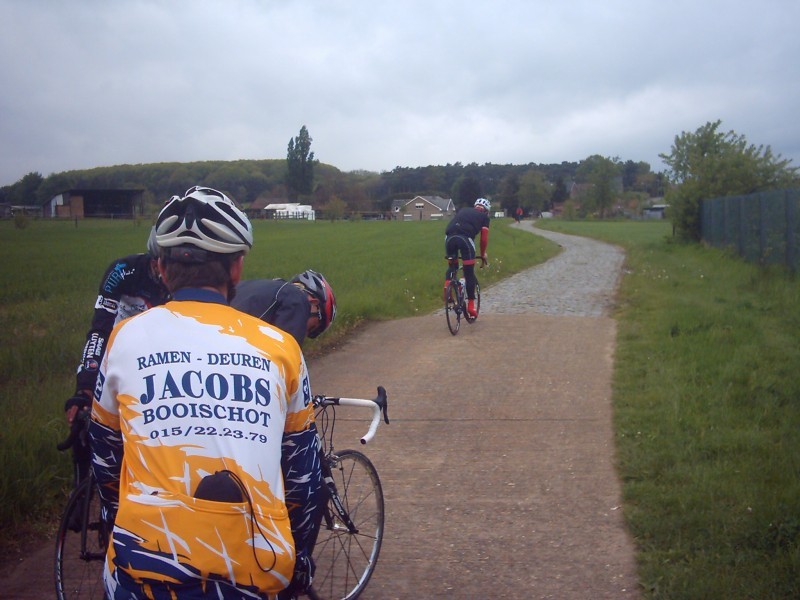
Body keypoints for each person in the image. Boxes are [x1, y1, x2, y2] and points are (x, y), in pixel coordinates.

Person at [89, 186, 322, 599]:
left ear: (161, 268)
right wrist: (300, 560)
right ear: (236, 269)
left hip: (142, 569)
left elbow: (105, 454)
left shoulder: (124, 338)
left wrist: (117, 520)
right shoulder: (280, 347)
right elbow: (304, 478)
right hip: (253, 571)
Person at [64, 226, 170, 485]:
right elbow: (99, 330)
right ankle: (81, 486)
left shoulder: (182, 282)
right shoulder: (122, 271)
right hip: (117, 348)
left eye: (167, 262)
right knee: (86, 421)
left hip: (155, 357)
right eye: (158, 262)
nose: (161, 270)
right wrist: (86, 385)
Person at [232, 269, 337, 347]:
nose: (304, 334)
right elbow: (285, 358)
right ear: (313, 304)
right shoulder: (295, 301)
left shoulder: (250, 288)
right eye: (311, 328)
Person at [444, 197, 491, 318]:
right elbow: (484, 239)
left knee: (453, 266)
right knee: (469, 272)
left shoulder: (464, 210)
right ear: (486, 211)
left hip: (449, 238)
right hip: (465, 239)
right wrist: (483, 253)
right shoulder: (485, 217)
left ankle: (447, 285)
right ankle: (470, 306)